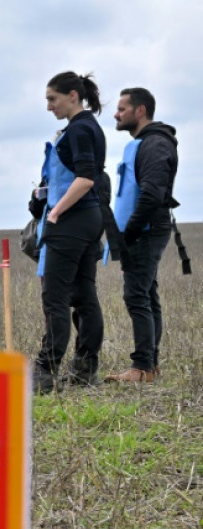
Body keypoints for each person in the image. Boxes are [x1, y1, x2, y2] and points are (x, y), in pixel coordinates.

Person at [31, 72, 107, 394]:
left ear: (73, 95)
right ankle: (84, 369)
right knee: (83, 295)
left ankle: (44, 373)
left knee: (56, 298)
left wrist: (56, 211)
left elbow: (86, 177)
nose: (49, 106)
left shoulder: (79, 129)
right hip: (89, 219)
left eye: (53, 99)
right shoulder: (87, 127)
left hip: (71, 222)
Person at [104, 88, 182, 384]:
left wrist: (129, 233)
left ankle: (141, 368)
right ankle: (150, 365)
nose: (116, 113)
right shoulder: (145, 143)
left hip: (146, 231)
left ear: (140, 111)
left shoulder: (155, 145)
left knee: (136, 295)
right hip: (143, 230)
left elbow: (151, 195)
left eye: (122, 108)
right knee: (146, 294)